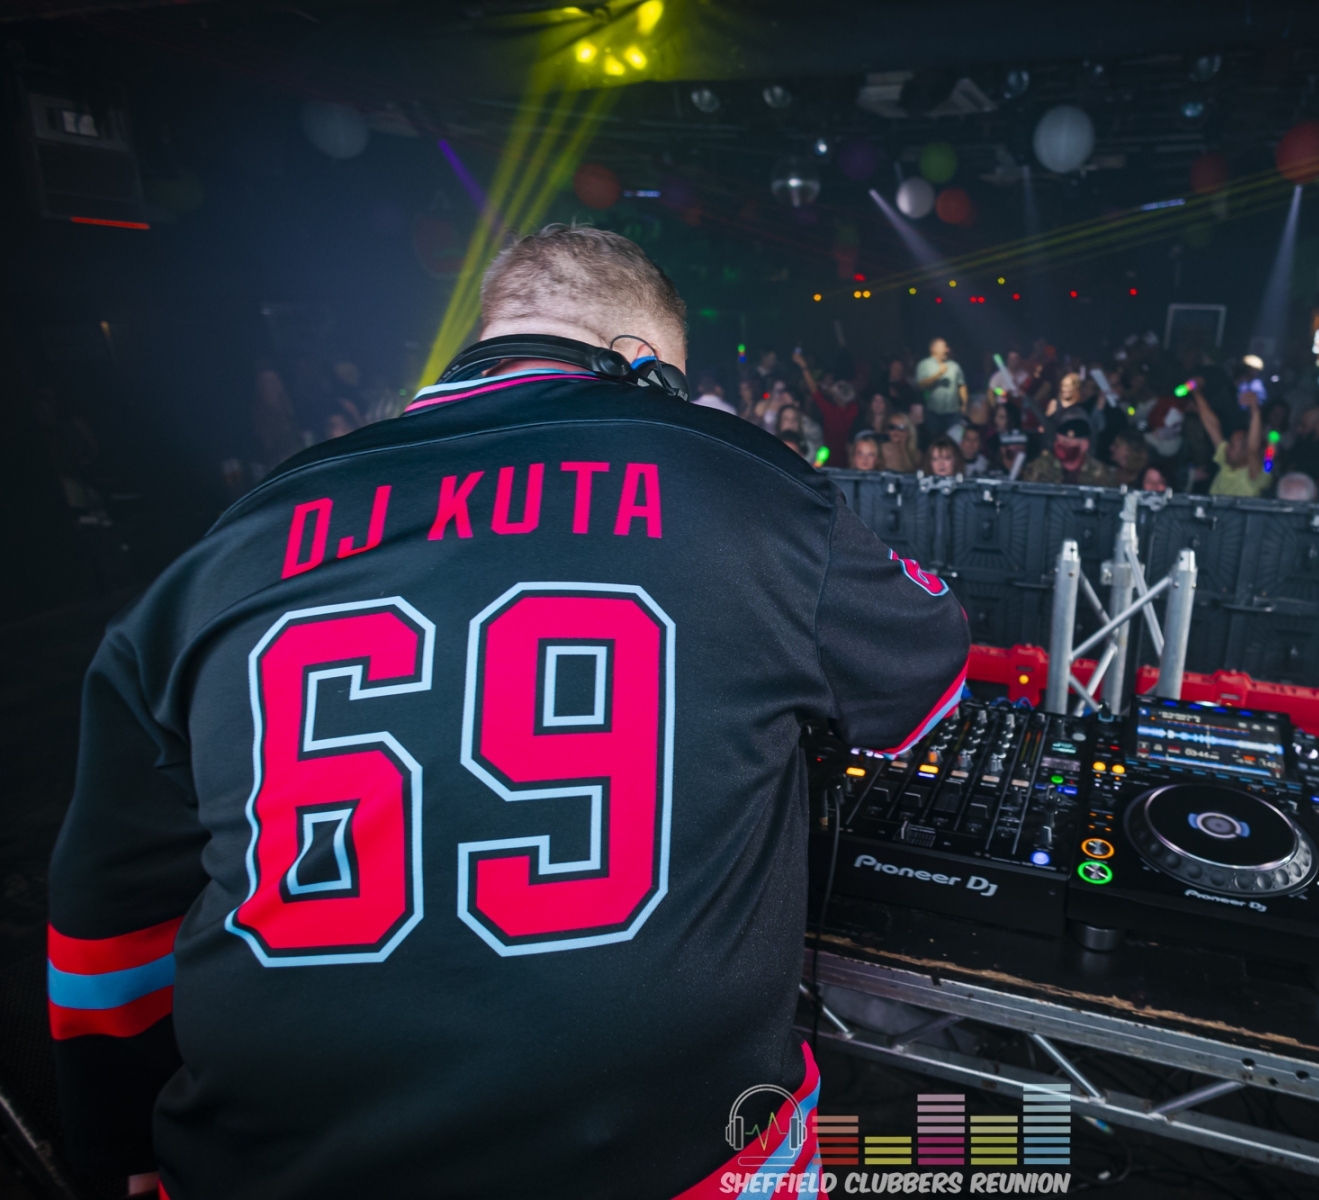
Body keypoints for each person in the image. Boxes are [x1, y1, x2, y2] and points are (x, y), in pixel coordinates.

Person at [49, 225, 968, 1199]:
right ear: (642, 362)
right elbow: (925, 670)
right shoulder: (744, 481)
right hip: (668, 1168)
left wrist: (119, 1144)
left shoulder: (237, 537)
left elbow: (109, 909)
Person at [1021, 414, 1116, 486]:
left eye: (1066, 443)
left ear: (1084, 446)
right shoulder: (1040, 467)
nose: (1059, 446)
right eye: (1058, 441)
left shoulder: (1100, 473)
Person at [914, 338, 967, 441]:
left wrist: (964, 404)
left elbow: (961, 385)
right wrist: (938, 374)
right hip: (933, 413)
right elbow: (921, 385)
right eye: (944, 347)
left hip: (953, 413)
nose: (947, 349)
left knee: (955, 441)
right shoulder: (924, 364)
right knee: (934, 440)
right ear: (934, 348)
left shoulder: (954, 365)